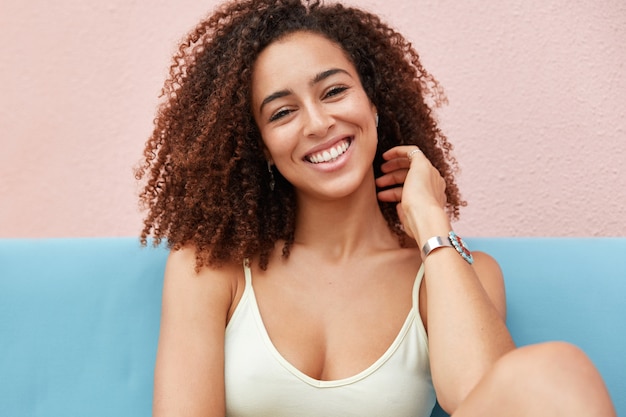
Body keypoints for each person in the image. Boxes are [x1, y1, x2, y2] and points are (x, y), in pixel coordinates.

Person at [136, 0, 616, 415]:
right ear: (260, 144)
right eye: (282, 112)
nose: (319, 123)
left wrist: (431, 224)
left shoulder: (452, 272)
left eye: (335, 91)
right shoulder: (211, 269)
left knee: (556, 371)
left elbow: (483, 398)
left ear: (374, 103)